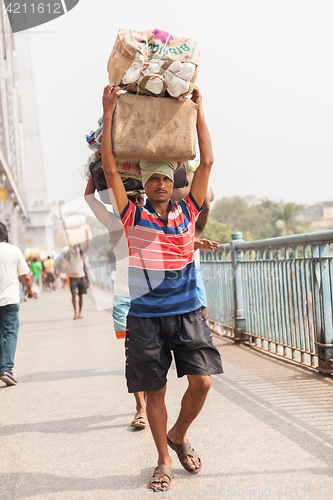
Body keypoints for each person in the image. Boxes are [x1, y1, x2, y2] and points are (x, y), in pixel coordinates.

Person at [101, 84, 223, 491]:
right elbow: (111, 168)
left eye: (165, 179)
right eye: (152, 179)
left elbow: (207, 162)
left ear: (172, 182)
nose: (159, 185)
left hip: (188, 311)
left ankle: (178, 434)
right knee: (154, 390)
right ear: (146, 184)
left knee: (202, 382)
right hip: (146, 318)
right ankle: (162, 458)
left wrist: (200, 111)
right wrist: (108, 112)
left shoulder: (189, 210)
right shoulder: (132, 216)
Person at [84, 175, 147, 429]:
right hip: (125, 299)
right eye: (128, 201)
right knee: (134, 357)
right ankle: (141, 407)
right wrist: (93, 168)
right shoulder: (116, 227)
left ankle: (151, 405)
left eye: (137, 200)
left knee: (153, 356)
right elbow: (90, 199)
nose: (134, 205)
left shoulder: (156, 223)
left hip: (153, 298)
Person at [171, 161, 218, 322]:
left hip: (190, 268)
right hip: (176, 271)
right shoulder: (193, 229)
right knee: (198, 307)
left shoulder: (194, 229)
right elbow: (206, 208)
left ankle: (202, 335)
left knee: (200, 307)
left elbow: (205, 207)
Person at [0, 222, 34, 386]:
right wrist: (29, 290)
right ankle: (6, 369)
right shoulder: (13, 250)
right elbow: (26, 276)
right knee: (10, 333)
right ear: (5, 234)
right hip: (9, 300)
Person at [64, 239, 90, 319]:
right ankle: (75, 313)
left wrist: (87, 237)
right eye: (74, 246)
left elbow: (88, 246)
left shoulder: (81, 254)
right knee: (74, 295)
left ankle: (80, 312)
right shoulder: (69, 255)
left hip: (81, 277)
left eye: (76, 246)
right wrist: (69, 248)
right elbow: (64, 257)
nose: (75, 248)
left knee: (81, 296)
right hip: (72, 277)